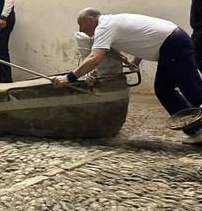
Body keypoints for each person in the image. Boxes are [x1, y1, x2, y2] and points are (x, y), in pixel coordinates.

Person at [54, 8, 202, 145]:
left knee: (193, 90)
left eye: (82, 26)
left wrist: (69, 78)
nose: (82, 30)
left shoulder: (104, 27)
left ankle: (199, 129)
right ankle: (197, 130)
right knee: (164, 90)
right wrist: (136, 62)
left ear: (91, 19)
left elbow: (94, 58)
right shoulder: (113, 20)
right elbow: (143, 38)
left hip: (173, 44)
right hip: (172, 41)